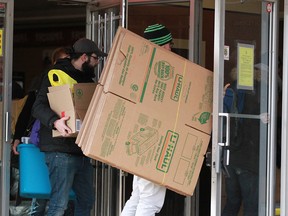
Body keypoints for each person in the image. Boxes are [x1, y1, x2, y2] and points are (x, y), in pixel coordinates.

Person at [31, 38, 107, 216]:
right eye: (96, 58)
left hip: (80, 150)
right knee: (59, 205)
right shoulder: (55, 73)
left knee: (86, 201)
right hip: (59, 150)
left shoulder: (88, 80)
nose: (97, 62)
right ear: (84, 57)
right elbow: (38, 107)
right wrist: (55, 121)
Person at [121, 23, 173, 216]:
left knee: (138, 195)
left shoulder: (141, 67)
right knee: (151, 199)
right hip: (153, 142)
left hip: (141, 139)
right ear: (160, 44)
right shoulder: (161, 73)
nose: (171, 48)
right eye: (168, 43)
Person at [11, 47, 70, 216]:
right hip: (40, 142)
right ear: (54, 63)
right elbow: (27, 112)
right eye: (62, 61)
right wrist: (17, 138)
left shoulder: (72, 81)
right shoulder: (42, 82)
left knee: (61, 195)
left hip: (62, 144)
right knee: (42, 192)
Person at [222, 65, 269, 216]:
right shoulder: (261, 91)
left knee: (232, 202)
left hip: (229, 156)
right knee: (251, 206)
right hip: (248, 157)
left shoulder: (232, 88)